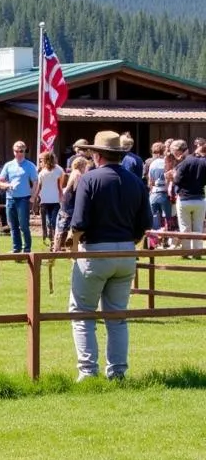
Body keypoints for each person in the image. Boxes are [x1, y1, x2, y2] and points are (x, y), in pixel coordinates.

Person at [68, 130, 151, 381]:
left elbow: (79, 222)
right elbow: (145, 222)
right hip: (126, 251)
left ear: (97, 154)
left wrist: (73, 246)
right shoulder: (136, 181)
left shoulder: (89, 179)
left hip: (95, 251)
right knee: (117, 316)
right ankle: (117, 372)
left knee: (82, 313)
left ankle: (88, 372)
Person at [0, 141, 39, 253]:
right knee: (13, 226)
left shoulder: (30, 165)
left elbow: (36, 182)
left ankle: (27, 248)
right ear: (13, 152)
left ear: (24, 151)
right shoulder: (8, 165)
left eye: (21, 151)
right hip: (10, 198)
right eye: (16, 151)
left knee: (23, 225)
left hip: (24, 199)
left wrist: (33, 197)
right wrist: (7, 185)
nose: (19, 153)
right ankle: (16, 248)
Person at [170, 138, 206, 253]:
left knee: (185, 227)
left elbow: (177, 180)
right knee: (198, 227)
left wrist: (174, 175)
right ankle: (197, 251)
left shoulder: (185, 162)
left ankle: (185, 251)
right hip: (200, 198)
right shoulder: (203, 162)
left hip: (185, 198)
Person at [53, 155, 89, 252]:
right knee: (66, 224)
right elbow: (76, 189)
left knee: (62, 224)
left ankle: (58, 246)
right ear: (82, 165)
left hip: (67, 201)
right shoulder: (78, 174)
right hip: (71, 202)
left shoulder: (73, 173)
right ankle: (59, 247)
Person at [145, 142, 172, 241]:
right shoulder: (167, 162)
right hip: (165, 193)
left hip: (154, 193)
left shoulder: (152, 163)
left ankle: (154, 241)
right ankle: (167, 239)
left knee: (154, 218)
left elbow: (150, 182)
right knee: (167, 218)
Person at [35, 151, 64, 244]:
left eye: (42, 160)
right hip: (45, 200)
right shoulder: (42, 172)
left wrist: (61, 197)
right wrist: (35, 198)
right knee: (49, 221)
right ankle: (51, 238)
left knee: (53, 221)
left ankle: (54, 239)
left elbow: (60, 186)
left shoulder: (59, 170)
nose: (41, 162)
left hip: (55, 200)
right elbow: (39, 187)